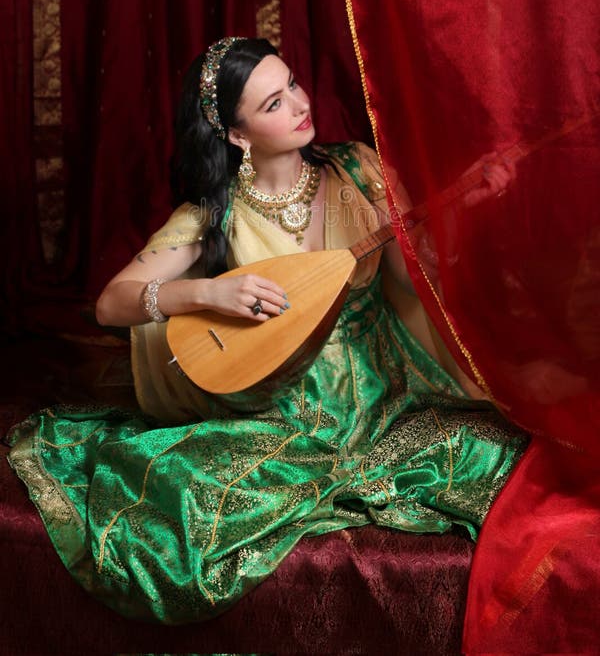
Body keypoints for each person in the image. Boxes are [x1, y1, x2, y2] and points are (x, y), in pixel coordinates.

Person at [9, 36, 526, 623]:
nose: (300, 105)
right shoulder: (214, 213)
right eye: (273, 104)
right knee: (188, 506)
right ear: (236, 134)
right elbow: (111, 304)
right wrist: (206, 291)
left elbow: (413, 285)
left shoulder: (358, 169)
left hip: (386, 398)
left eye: (294, 85)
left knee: (501, 454)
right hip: (280, 413)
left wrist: (462, 216)